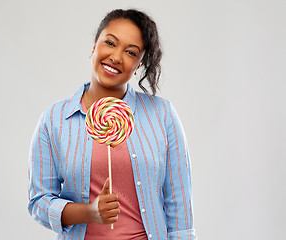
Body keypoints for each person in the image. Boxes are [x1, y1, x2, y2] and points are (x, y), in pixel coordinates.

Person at [28, 9, 197, 240]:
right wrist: (88, 212)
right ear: (94, 46)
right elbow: (39, 201)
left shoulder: (162, 114)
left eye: (130, 52)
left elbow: (180, 209)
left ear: (139, 64)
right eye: (110, 42)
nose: (116, 57)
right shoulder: (55, 119)